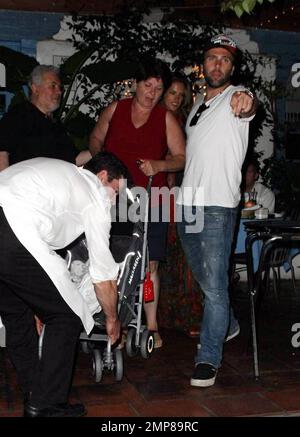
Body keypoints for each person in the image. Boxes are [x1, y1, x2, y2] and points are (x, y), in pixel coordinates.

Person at [0, 152, 127, 417]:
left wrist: (39, 302)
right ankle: (46, 404)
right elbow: (103, 275)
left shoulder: (60, 170)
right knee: (68, 315)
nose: (115, 202)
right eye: (116, 192)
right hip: (14, 226)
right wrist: (112, 318)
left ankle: (35, 392)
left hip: (11, 224)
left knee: (17, 315)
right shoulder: (95, 195)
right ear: (103, 176)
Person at [177, 34, 257, 387]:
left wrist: (246, 101)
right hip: (186, 203)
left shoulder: (234, 99)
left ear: (232, 67)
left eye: (225, 59)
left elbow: (248, 106)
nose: (218, 64)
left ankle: (208, 358)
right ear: (203, 64)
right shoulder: (197, 105)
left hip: (217, 206)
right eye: (212, 58)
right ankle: (230, 324)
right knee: (207, 279)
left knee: (214, 288)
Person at [89, 58, 186, 348]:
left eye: (158, 88)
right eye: (147, 85)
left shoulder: (165, 118)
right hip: (113, 197)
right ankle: (111, 320)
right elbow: (95, 138)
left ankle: (151, 326)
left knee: (150, 263)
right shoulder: (115, 109)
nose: (152, 93)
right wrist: (99, 162)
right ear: (136, 84)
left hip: (151, 197)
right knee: (113, 260)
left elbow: (181, 157)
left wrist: (158, 165)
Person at [0, 65, 91, 170]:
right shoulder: (19, 115)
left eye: (59, 87)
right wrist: (5, 183)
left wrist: (97, 149)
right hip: (26, 184)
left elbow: (74, 159)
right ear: (35, 89)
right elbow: (2, 150)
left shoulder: (56, 126)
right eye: (53, 86)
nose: (59, 92)